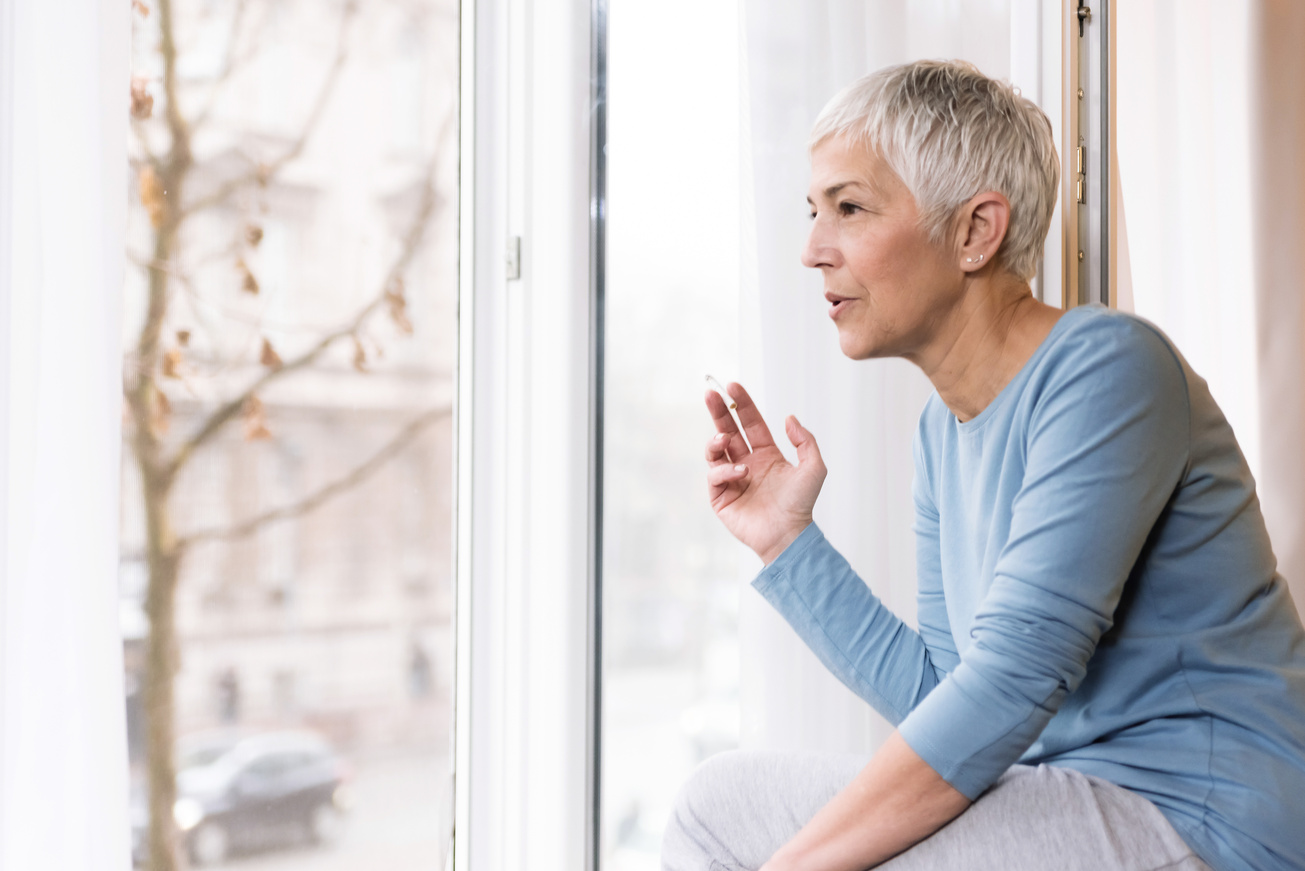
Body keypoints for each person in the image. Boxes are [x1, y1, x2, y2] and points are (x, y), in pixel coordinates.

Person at [665, 60, 1305, 871]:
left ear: (974, 232)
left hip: (1204, 820)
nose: (811, 250)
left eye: (848, 208)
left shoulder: (1108, 368)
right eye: (812, 211)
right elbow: (946, 700)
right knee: (717, 806)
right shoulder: (944, 428)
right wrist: (787, 543)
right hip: (1066, 798)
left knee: (755, 828)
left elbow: (1010, 683)